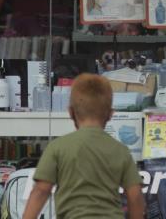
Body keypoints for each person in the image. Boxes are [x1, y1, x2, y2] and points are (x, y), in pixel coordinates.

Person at [22, 74, 144, 219]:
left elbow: (41, 191)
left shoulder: (57, 148)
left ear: (71, 112)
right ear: (110, 114)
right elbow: (135, 195)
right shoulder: (120, 150)